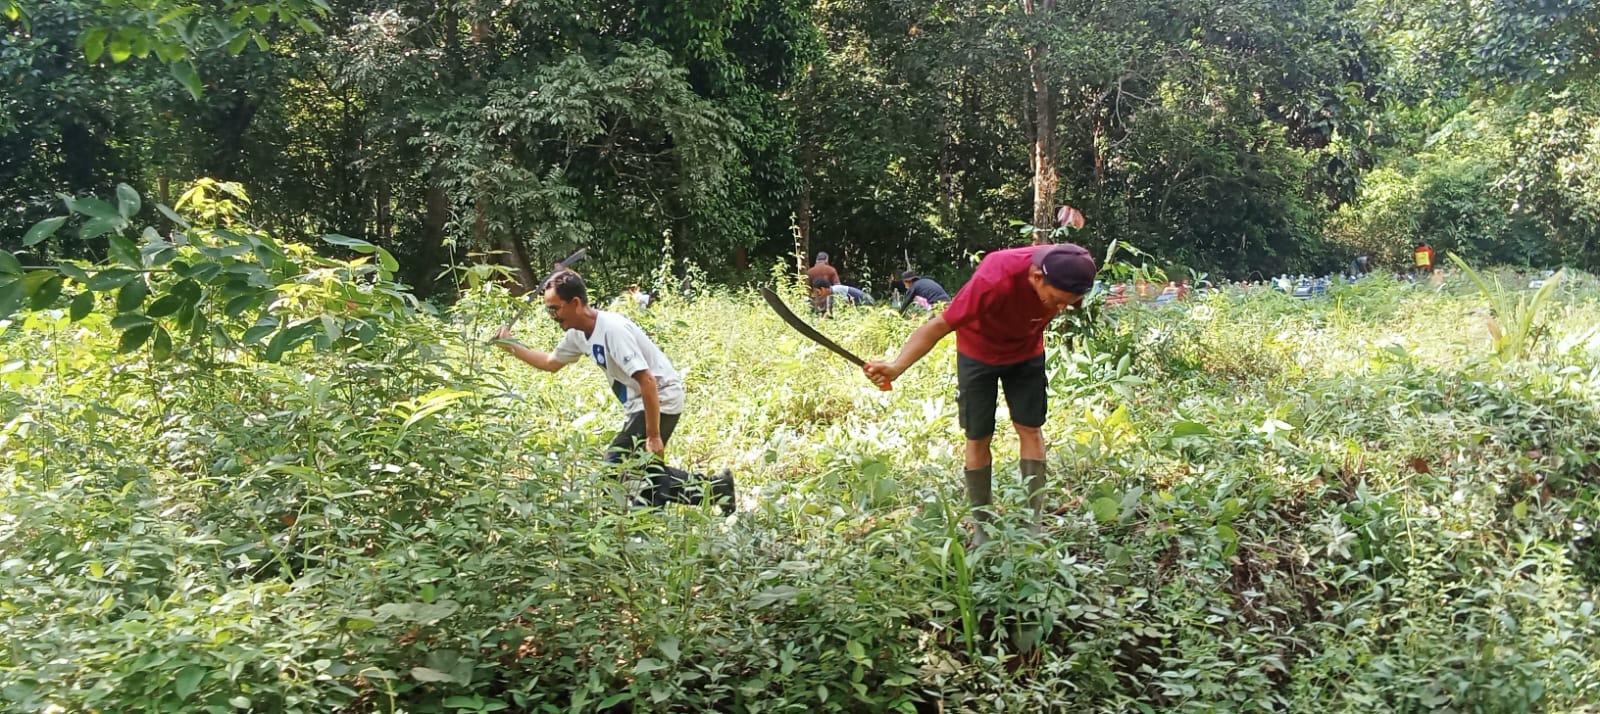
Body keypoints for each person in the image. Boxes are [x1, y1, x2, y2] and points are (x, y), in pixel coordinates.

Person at [865, 244, 1096, 544]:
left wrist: (1059, 303)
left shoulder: (1073, 265)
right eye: (1056, 301)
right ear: (1037, 277)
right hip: (979, 354)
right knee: (978, 435)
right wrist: (896, 367)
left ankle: (1032, 524)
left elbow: (1066, 294)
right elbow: (938, 326)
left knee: (1030, 428)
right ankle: (982, 528)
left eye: (1068, 303)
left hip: (1027, 352)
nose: (1061, 308)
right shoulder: (994, 278)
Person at [495, 271, 734, 515]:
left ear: (575, 303)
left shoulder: (612, 330)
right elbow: (549, 363)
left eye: (555, 309)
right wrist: (511, 345)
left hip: (660, 397)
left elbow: (648, 380)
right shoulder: (577, 334)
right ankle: (717, 490)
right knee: (642, 472)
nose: (552, 316)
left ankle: (616, 528)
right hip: (639, 402)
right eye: (549, 310)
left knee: (614, 468)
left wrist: (653, 435)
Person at [809, 277, 874, 315]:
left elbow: (848, 304)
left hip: (866, 302)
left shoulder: (837, 290)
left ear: (823, 289)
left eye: (817, 292)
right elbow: (829, 312)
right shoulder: (830, 294)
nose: (817, 295)